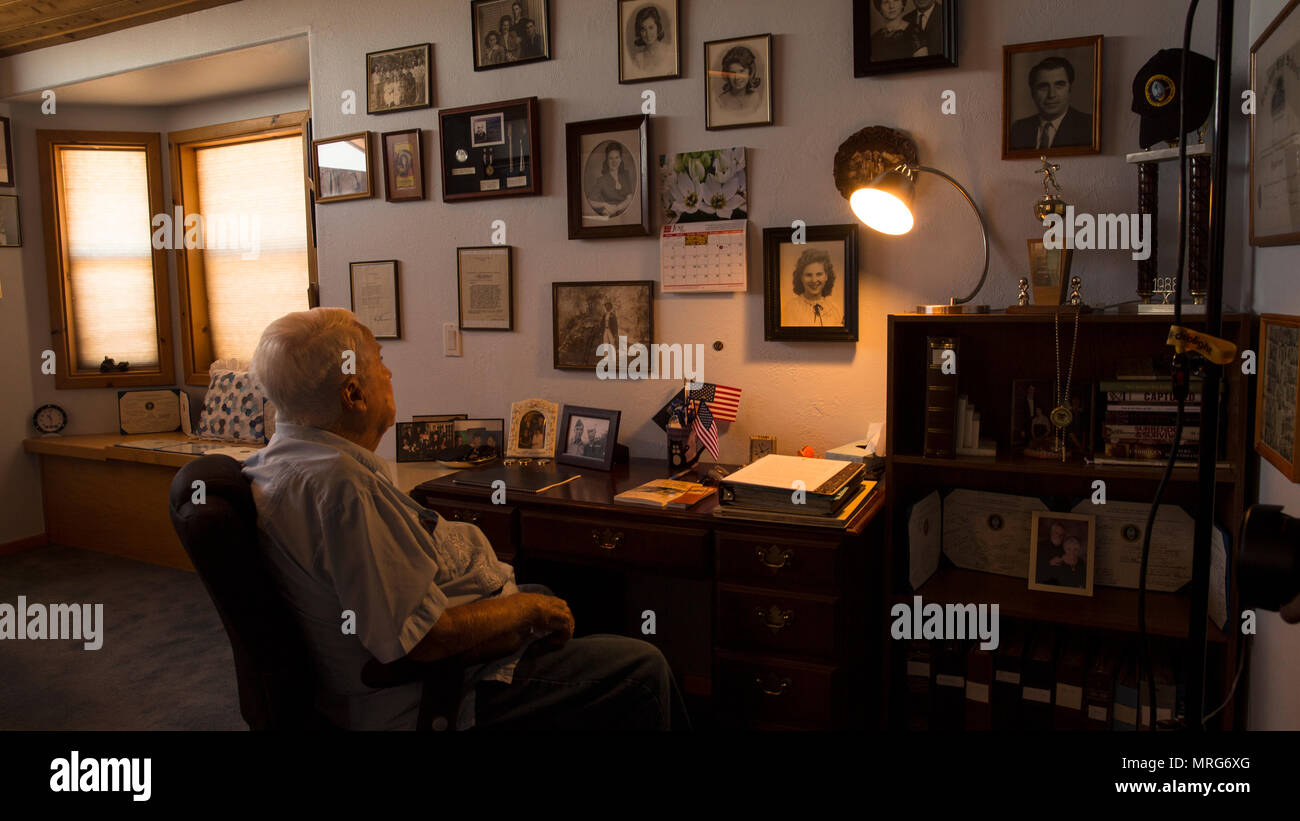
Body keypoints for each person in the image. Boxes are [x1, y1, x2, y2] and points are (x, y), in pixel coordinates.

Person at [244, 308, 685, 730]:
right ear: (354, 394)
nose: (390, 374)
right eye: (380, 362)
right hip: (434, 693)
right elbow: (423, 639)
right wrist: (523, 609)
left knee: (554, 593)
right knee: (643, 668)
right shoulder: (342, 490)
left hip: (427, 653)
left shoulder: (280, 462)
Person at [1009, 56, 1094, 151]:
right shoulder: (1018, 129)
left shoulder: (1090, 127)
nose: (1051, 95)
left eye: (1059, 85)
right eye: (1043, 87)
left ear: (1069, 89)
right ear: (1032, 92)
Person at [781, 248, 843, 327]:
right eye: (808, 275)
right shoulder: (790, 309)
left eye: (819, 274)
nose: (814, 280)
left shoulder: (835, 310)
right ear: (801, 278)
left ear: (826, 276)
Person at [588, 143, 635, 217]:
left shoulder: (625, 175)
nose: (614, 161)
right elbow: (590, 201)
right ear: (607, 160)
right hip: (610, 216)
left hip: (627, 215)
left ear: (620, 159)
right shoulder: (601, 180)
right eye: (611, 158)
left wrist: (617, 208)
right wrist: (605, 205)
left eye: (617, 157)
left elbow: (630, 198)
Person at [715, 45, 761, 112]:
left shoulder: (755, 98)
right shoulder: (721, 101)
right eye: (732, 73)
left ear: (750, 72)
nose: (737, 77)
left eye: (741, 71)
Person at [630, 4, 671, 76]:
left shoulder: (669, 51)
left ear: (658, 28)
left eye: (651, 27)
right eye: (643, 29)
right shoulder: (639, 59)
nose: (648, 34)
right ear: (639, 32)